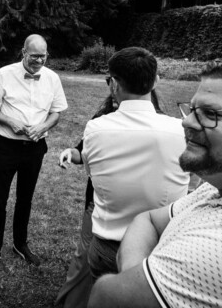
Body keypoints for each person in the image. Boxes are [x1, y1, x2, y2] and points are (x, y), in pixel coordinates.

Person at [89, 54, 222, 308]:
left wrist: (136, 280)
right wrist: (140, 275)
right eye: (192, 110)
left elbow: (105, 297)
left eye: (210, 113)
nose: (186, 121)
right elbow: (148, 219)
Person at [82, 47, 190, 282]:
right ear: (156, 82)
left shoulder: (96, 129)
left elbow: (92, 176)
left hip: (109, 247)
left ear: (114, 84)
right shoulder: (180, 130)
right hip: (163, 246)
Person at [55, 90, 168, 308]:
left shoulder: (162, 126)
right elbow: (82, 153)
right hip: (99, 203)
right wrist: (71, 152)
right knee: (85, 256)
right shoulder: (100, 123)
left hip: (145, 207)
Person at [0, 34, 68, 275]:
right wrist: (10, 122)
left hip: (35, 148)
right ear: (23, 52)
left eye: (43, 56)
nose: (39, 60)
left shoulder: (52, 78)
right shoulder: (4, 74)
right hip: (7, 146)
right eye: (34, 56)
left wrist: (44, 127)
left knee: (25, 198)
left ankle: (21, 244)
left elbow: (56, 113)